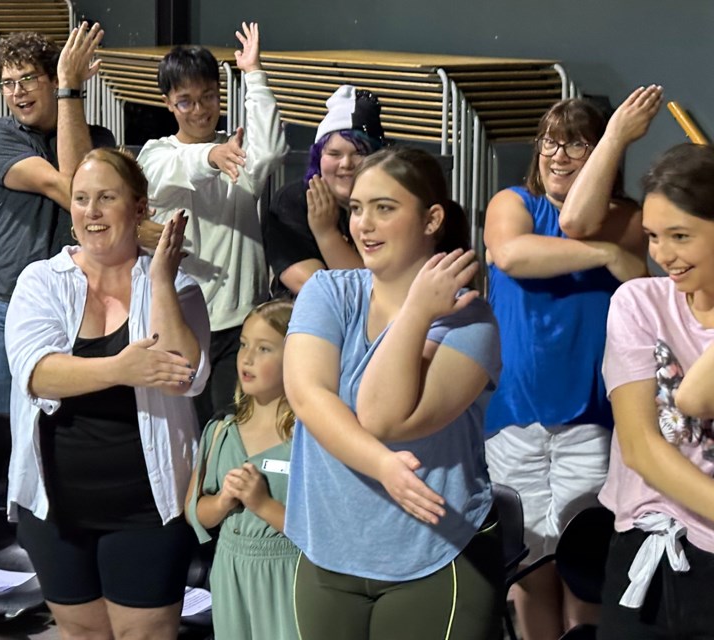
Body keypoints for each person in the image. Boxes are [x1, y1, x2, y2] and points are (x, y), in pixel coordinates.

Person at [284, 147, 504, 639]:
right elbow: (308, 397)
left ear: (431, 219)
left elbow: (382, 416)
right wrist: (382, 465)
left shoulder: (470, 320)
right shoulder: (329, 292)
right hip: (328, 550)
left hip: (432, 552)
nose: (364, 224)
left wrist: (417, 311)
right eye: (358, 208)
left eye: (385, 208)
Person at [5, 147, 210, 639]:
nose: (90, 211)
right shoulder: (41, 281)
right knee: (83, 635)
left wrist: (159, 279)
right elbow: (37, 374)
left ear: (139, 208)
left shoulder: (178, 287)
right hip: (56, 505)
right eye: (80, 199)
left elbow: (187, 376)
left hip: (147, 504)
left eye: (106, 198)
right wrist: (123, 367)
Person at [483, 86, 661, 640]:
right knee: (530, 566)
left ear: (607, 148)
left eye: (577, 144)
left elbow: (582, 222)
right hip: (515, 416)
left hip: (593, 419)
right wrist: (607, 258)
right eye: (549, 143)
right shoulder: (513, 202)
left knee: (586, 570)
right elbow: (512, 254)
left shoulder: (627, 219)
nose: (557, 156)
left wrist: (607, 242)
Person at [138, 22, 288, 424]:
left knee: (232, 429)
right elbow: (176, 170)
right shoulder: (155, 155)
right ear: (168, 103)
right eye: (186, 101)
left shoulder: (234, 154)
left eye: (208, 97)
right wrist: (210, 157)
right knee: (181, 436)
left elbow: (271, 150)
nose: (200, 109)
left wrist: (254, 75)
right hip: (178, 320)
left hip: (241, 317)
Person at [598, 143, 714, 639]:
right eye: (653, 236)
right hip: (647, 553)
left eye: (680, 236)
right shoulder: (639, 303)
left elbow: (697, 398)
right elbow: (642, 447)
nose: (662, 254)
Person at [0, 22, 102, 415]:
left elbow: (81, 178)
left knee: (69, 426)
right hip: (8, 306)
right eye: (8, 83)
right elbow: (70, 190)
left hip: (76, 305)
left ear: (52, 81)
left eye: (28, 78)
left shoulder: (100, 140)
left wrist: (69, 89)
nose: (17, 92)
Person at [185, 298, 298, 640]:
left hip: (290, 575)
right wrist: (221, 503)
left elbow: (324, 531)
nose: (246, 358)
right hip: (231, 572)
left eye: (264, 349)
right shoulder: (221, 431)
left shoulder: (310, 438)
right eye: (244, 345)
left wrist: (264, 505)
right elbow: (195, 512)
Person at [264, 85, 385, 296]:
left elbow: (376, 294)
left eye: (359, 153)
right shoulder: (293, 201)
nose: (346, 163)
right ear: (318, 157)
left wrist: (326, 233)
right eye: (334, 153)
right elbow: (315, 289)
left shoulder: (391, 205)